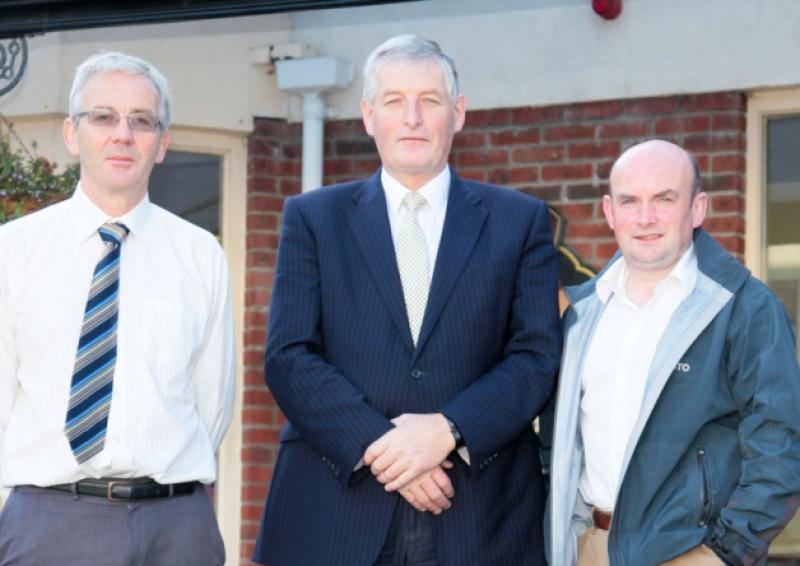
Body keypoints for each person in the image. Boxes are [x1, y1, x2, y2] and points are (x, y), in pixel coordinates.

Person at [253, 34, 561, 565]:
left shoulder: (520, 221)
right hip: (334, 514)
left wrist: (447, 431)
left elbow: (535, 357)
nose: (413, 117)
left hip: (481, 518)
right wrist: (390, 450)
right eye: (395, 101)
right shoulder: (313, 219)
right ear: (369, 116)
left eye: (431, 100)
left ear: (458, 113)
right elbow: (289, 356)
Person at [0, 51, 235, 565]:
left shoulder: (201, 254)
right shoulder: (13, 250)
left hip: (176, 530)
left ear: (163, 143)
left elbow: (212, 403)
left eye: (142, 121)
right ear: (71, 133)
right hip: (48, 525)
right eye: (103, 116)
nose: (122, 134)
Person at [546, 139, 800, 566]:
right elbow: (556, 443)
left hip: (690, 553)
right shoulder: (582, 312)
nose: (645, 217)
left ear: (697, 209)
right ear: (610, 212)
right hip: (589, 547)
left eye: (664, 199)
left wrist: (725, 554)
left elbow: (781, 440)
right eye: (630, 201)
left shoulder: (744, 306)